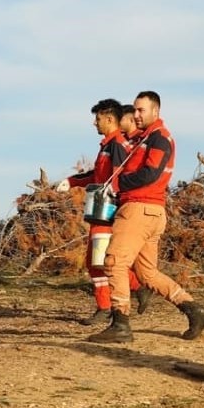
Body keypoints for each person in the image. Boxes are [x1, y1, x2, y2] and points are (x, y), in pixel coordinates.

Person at [87, 90, 204, 343]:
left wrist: (117, 184)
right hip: (150, 211)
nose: (135, 115)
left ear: (156, 111)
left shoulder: (159, 138)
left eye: (141, 110)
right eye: (134, 110)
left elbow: (150, 175)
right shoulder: (144, 138)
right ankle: (194, 310)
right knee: (146, 274)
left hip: (139, 209)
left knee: (113, 262)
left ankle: (120, 323)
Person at [55, 99, 150, 325]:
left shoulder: (117, 145)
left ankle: (134, 288)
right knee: (94, 261)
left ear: (109, 119)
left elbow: (119, 177)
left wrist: (116, 199)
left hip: (107, 212)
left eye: (97, 118)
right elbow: (98, 176)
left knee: (101, 261)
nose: (94, 123)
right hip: (100, 211)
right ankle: (107, 304)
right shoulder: (108, 145)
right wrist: (71, 181)